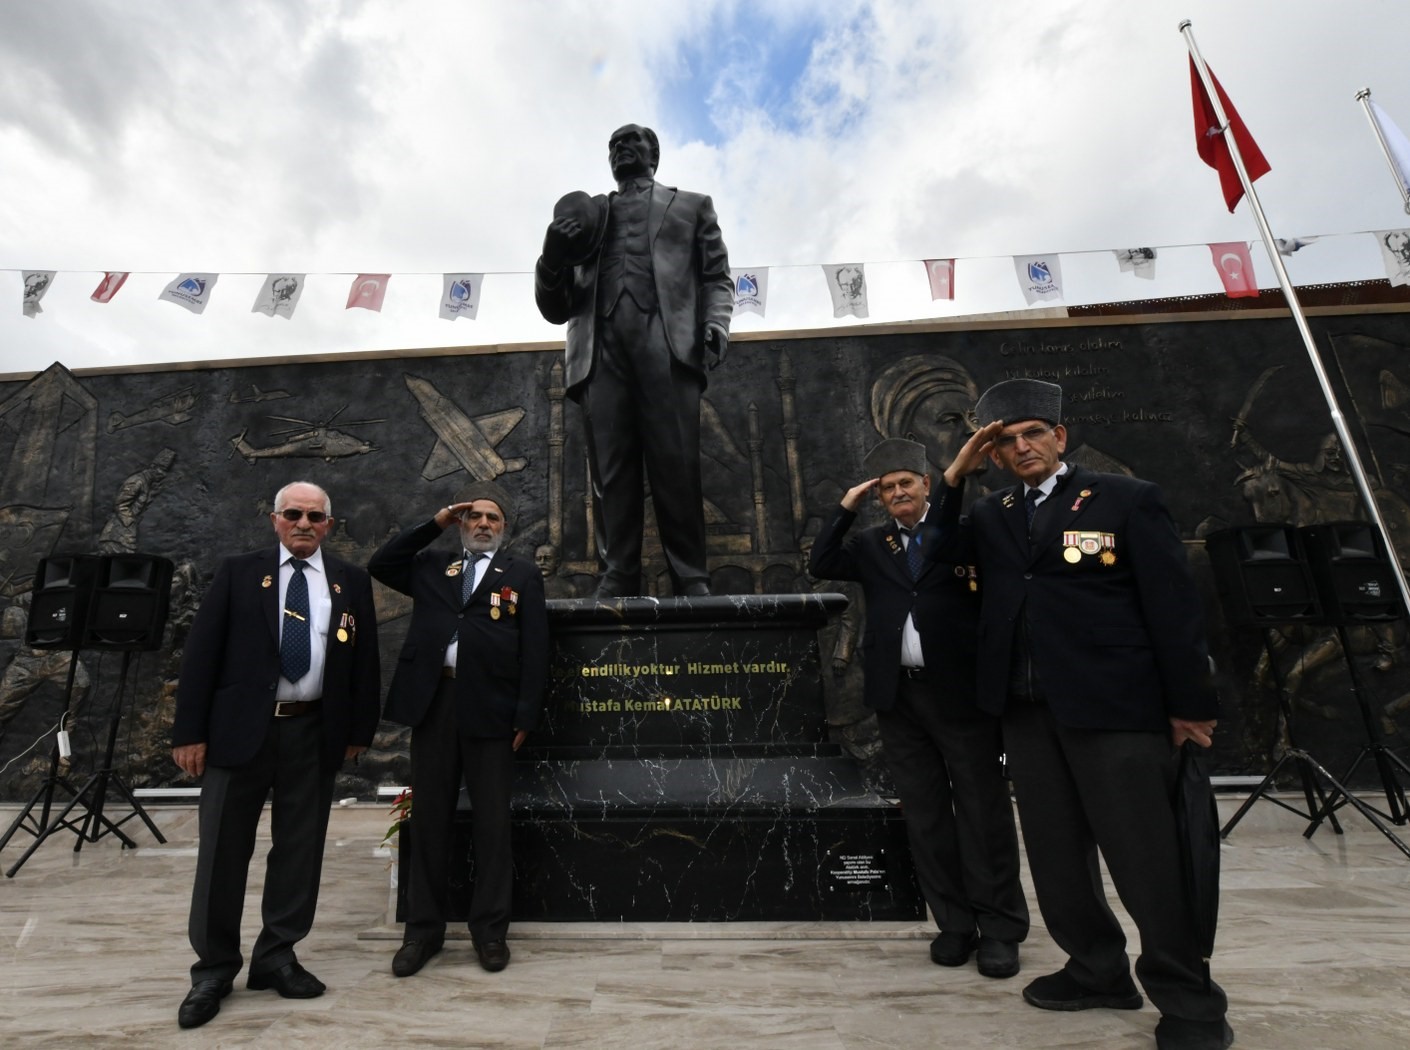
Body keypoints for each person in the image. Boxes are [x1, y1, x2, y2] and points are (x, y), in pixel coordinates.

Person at [937, 379, 1232, 1050]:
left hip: (1115, 710)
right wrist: (956, 475)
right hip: (1028, 714)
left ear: (1059, 437)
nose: (1021, 446)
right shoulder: (992, 512)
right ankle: (1097, 968)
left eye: (1033, 433)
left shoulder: (1126, 499)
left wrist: (1191, 705)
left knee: (1146, 860)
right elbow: (936, 555)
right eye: (1005, 440)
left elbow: (1174, 606)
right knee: (1057, 859)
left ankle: (1189, 999)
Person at [808, 438, 1029, 978]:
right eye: (888, 487)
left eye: (907, 481)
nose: (898, 491)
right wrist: (846, 507)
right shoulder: (871, 543)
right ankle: (954, 924)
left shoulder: (959, 531)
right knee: (926, 816)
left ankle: (999, 927)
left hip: (959, 695)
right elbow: (821, 562)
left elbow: (940, 540)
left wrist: (954, 480)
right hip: (899, 697)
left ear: (928, 485)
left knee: (982, 812)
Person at [170, 481, 380, 1030]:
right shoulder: (241, 572)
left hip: (312, 733)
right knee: (222, 852)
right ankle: (214, 967)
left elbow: (365, 664)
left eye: (315, 516)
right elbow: (201, 656)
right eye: (294, 514)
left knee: (299, 851)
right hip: (240, 734)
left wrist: (358, 729)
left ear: (329, 524)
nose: (304, 523)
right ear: (275, 519)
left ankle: (277, 956)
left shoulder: (350, 582)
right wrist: (189, 732)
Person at [534, 122, 732, 598]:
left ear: (654, 153)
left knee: (676, 463)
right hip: (601, 351)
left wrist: (717, 323)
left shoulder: (691, 206)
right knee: (610, 470)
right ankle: (618, 573)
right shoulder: (587, 217)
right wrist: (552, 259)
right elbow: (554, 308)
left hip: (666, 343)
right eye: (613, 145)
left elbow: (717, 277)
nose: (621, 149)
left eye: (632, 142)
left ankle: (691, 575)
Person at [368, 480, 548, 977]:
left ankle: (489, 933)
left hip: (492, 709)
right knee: (428, 821)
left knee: (492, 824)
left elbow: (536, 648)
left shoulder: (522, 574)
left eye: (492, 518)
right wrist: (437, 521)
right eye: (474, 518)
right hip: (435, 703)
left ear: (503, 529)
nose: (483, 524)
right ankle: (422, 933)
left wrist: (525, 714)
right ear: (462, 526)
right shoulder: (431, 568)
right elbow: (381, 564)